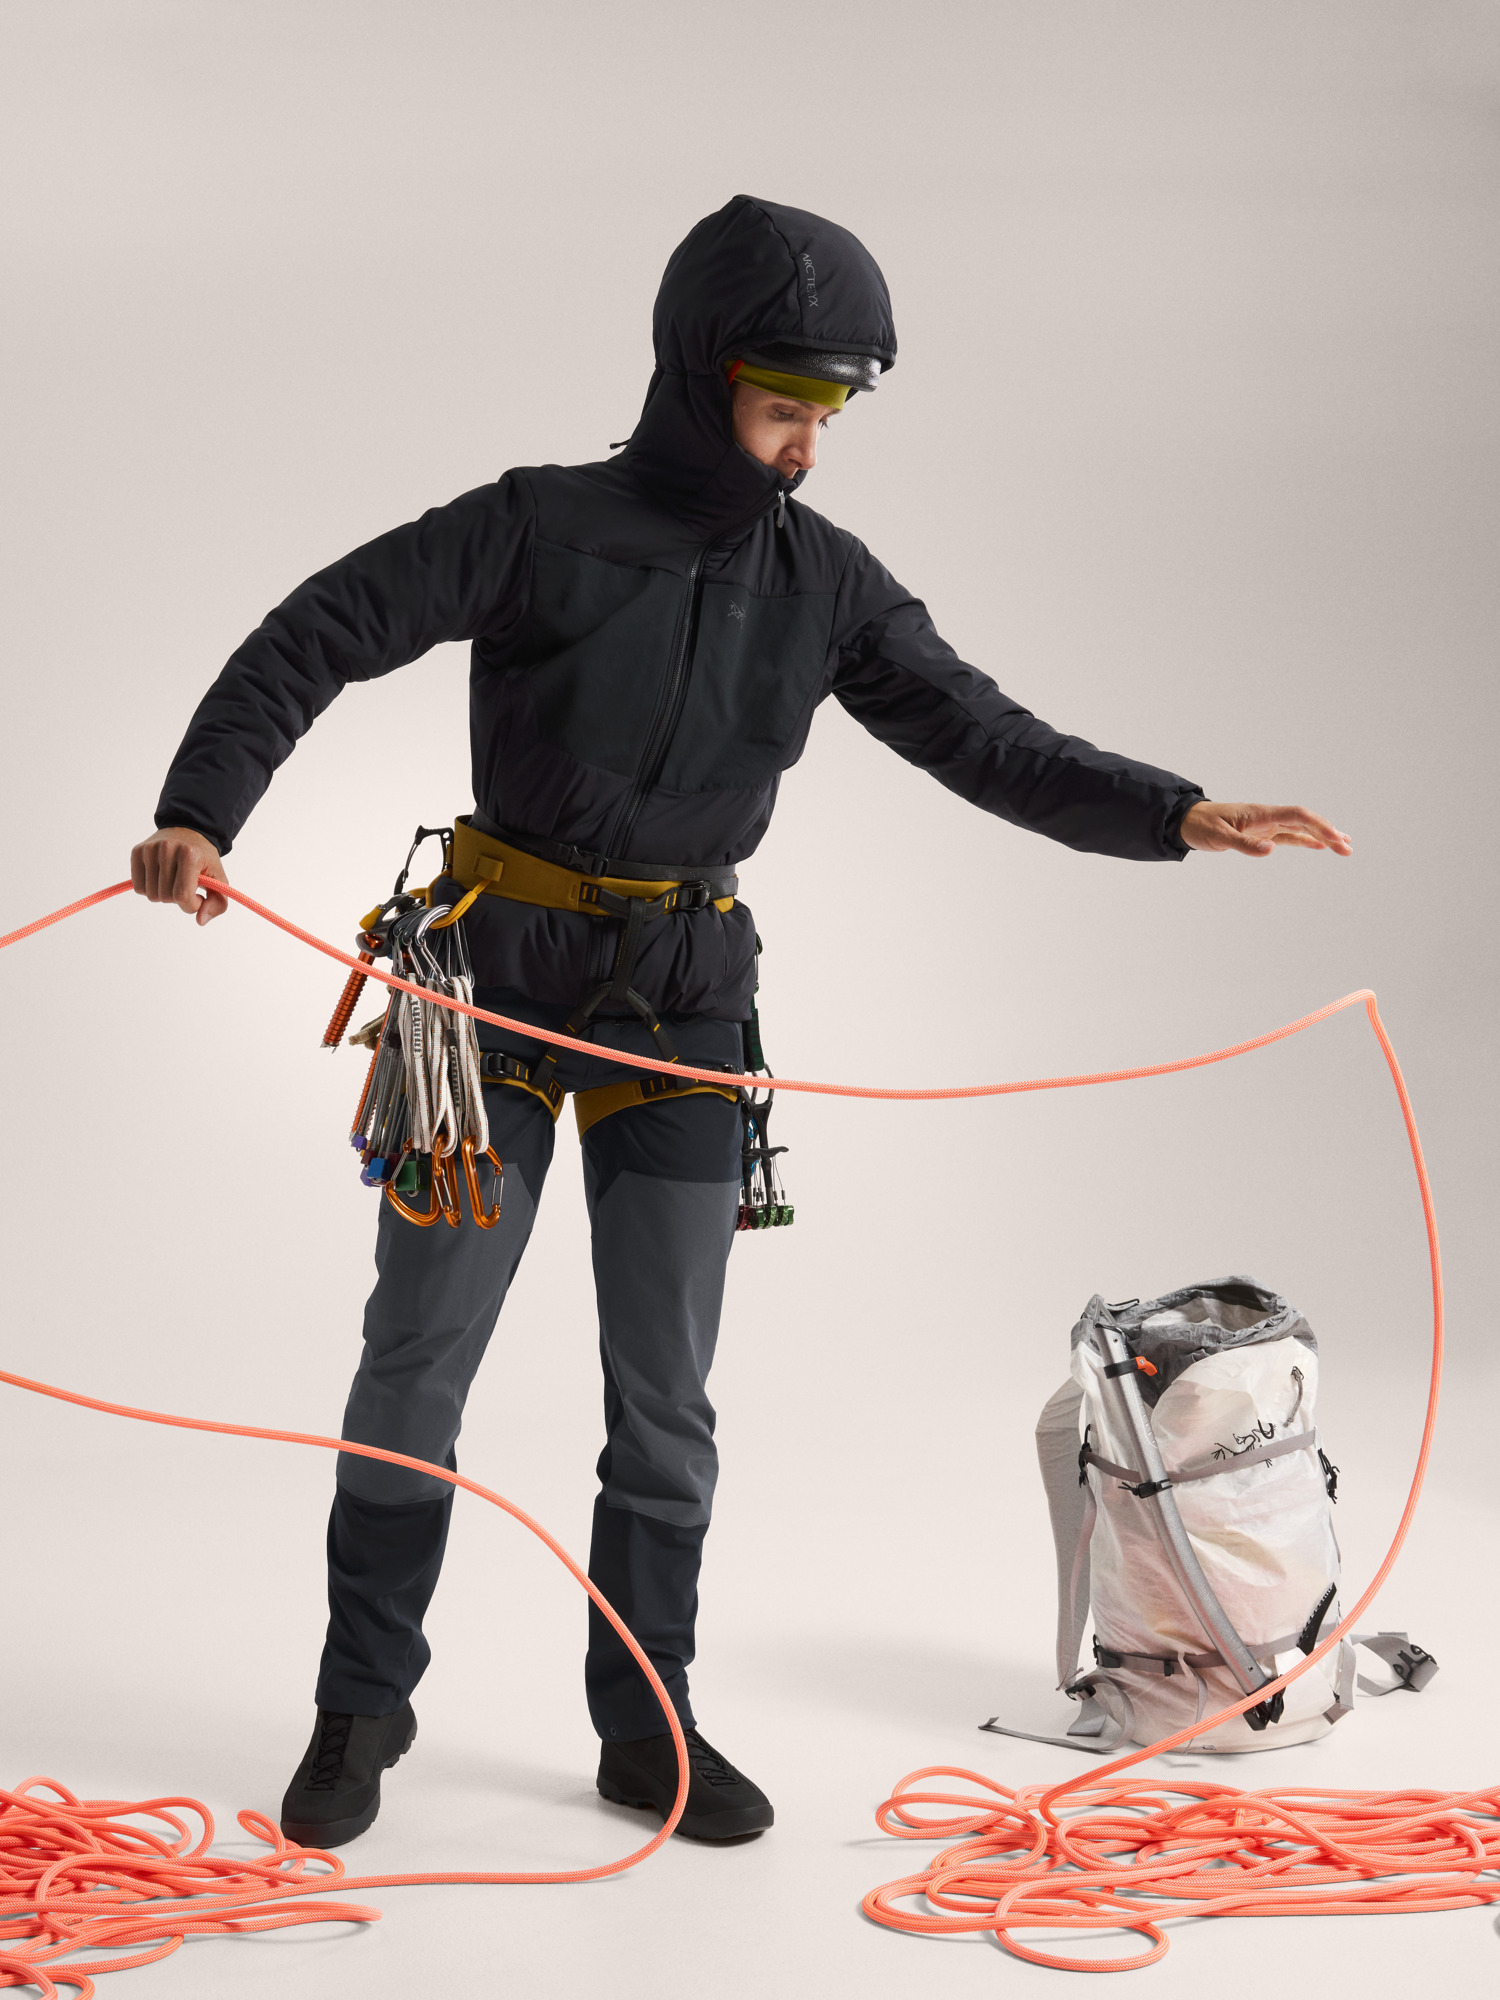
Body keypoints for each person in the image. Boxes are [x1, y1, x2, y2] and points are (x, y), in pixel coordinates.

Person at [131, 194, 1350, 1849]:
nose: (808, 448)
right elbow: (316, 633)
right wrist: (201, 813)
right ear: (702, 378)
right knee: (417, 1360)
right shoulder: (535, 525)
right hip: (489, 1000)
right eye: (787, 408)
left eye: (831, 416)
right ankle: (360, 1707)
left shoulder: (825, 582)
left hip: (686, 1010)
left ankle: (649, 1722)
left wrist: (1174, 811)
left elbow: (985, 737)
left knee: (667, 1401)